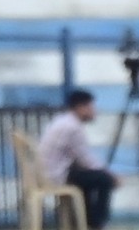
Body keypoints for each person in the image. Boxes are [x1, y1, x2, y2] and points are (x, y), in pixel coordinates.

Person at [39, 90, 117, 230]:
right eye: (91, 107)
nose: (94, 112)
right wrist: (111, 174)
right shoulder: (73, 127)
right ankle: (97, 223)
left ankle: (84, 221)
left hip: (48, 172)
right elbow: (85, 159)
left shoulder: (62, 121)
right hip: (57, 175)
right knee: (105, 179)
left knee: (87, 179)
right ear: (80, 107)